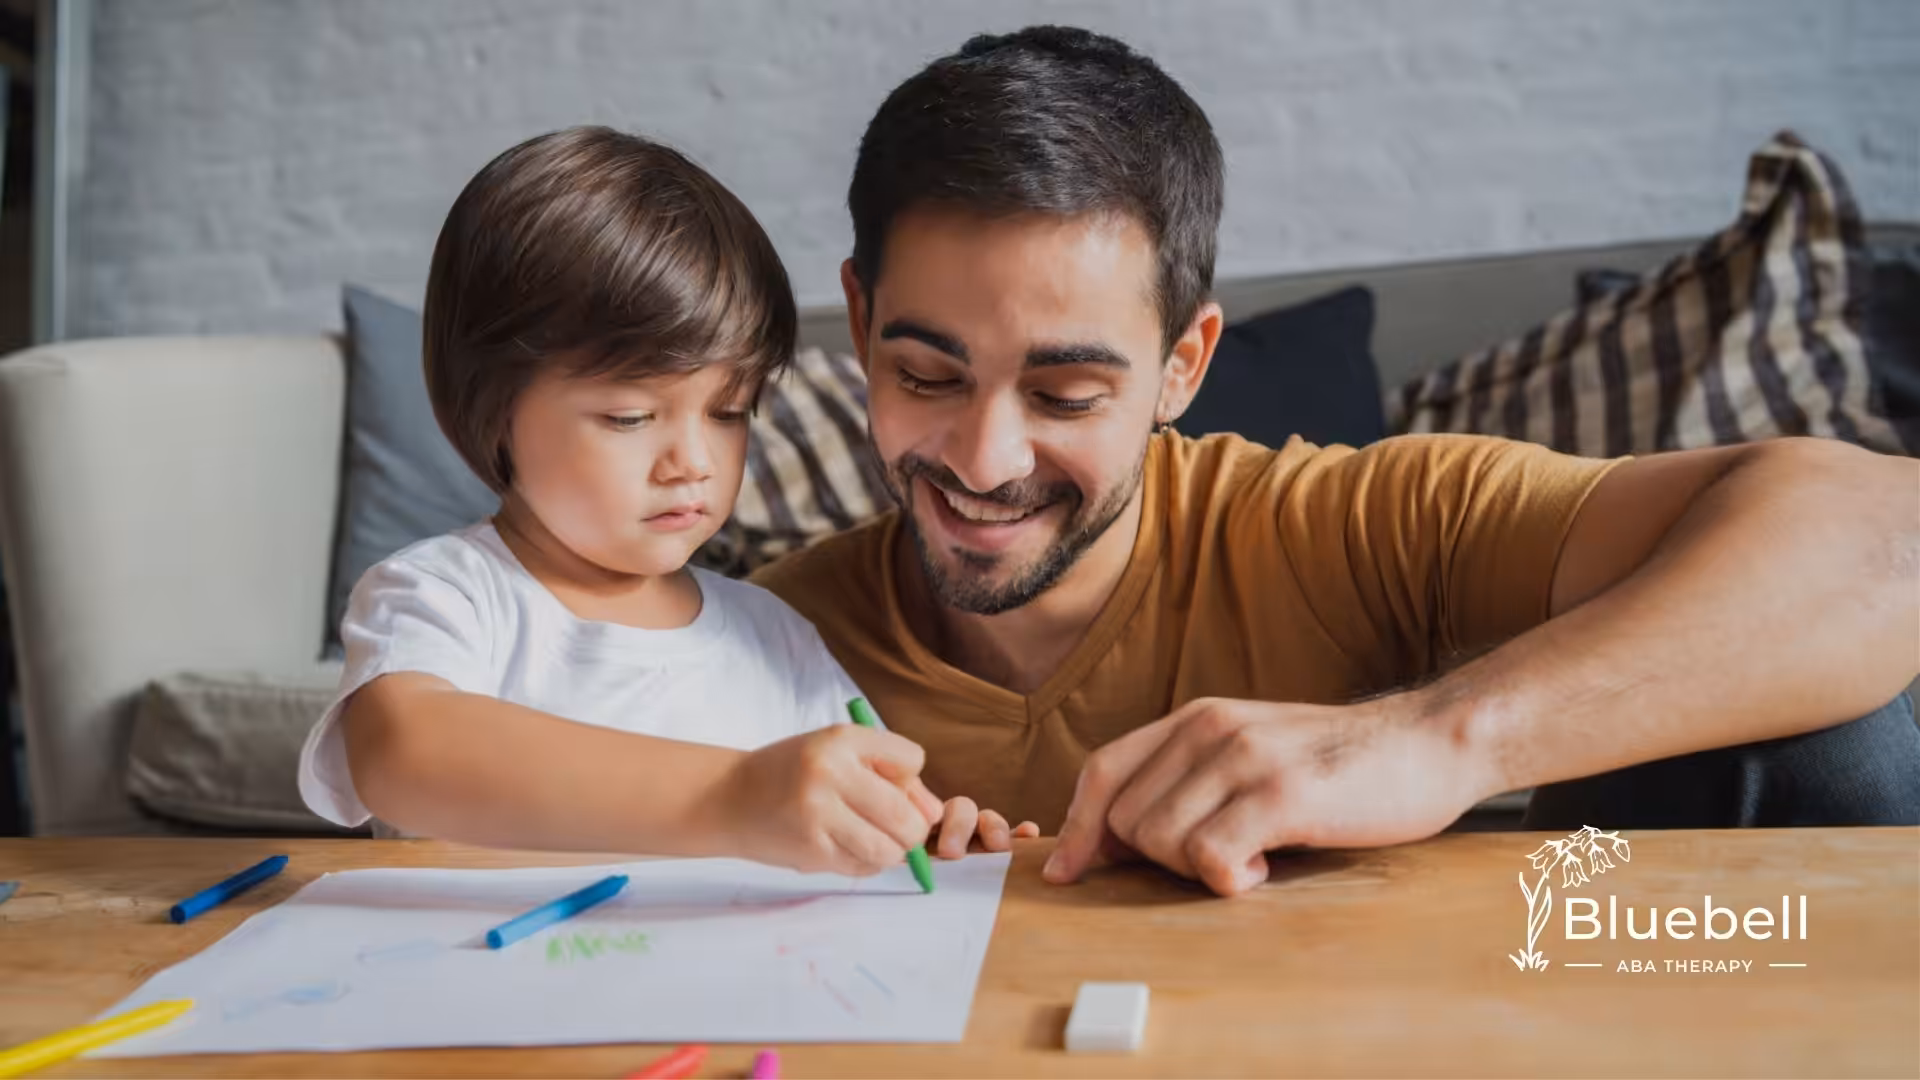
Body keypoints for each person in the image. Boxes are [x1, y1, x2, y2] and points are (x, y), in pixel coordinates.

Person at [754, 27, 1920, 896]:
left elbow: (1887, 530)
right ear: (859, 325)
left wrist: (1432, 740)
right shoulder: (756, 645)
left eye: (1065, 393)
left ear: (1182, 365)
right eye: (926, 375)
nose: (982, 458)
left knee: (1827, 734)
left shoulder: (1339, 528)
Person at [296, 126, 1035, 872]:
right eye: (630, 417)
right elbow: (406, 755)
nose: (692, 462)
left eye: (729, 411)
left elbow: (851, 808)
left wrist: (922, 831)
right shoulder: (445, 597)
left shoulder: (775, 638)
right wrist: (735, 794)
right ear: (495, 410)